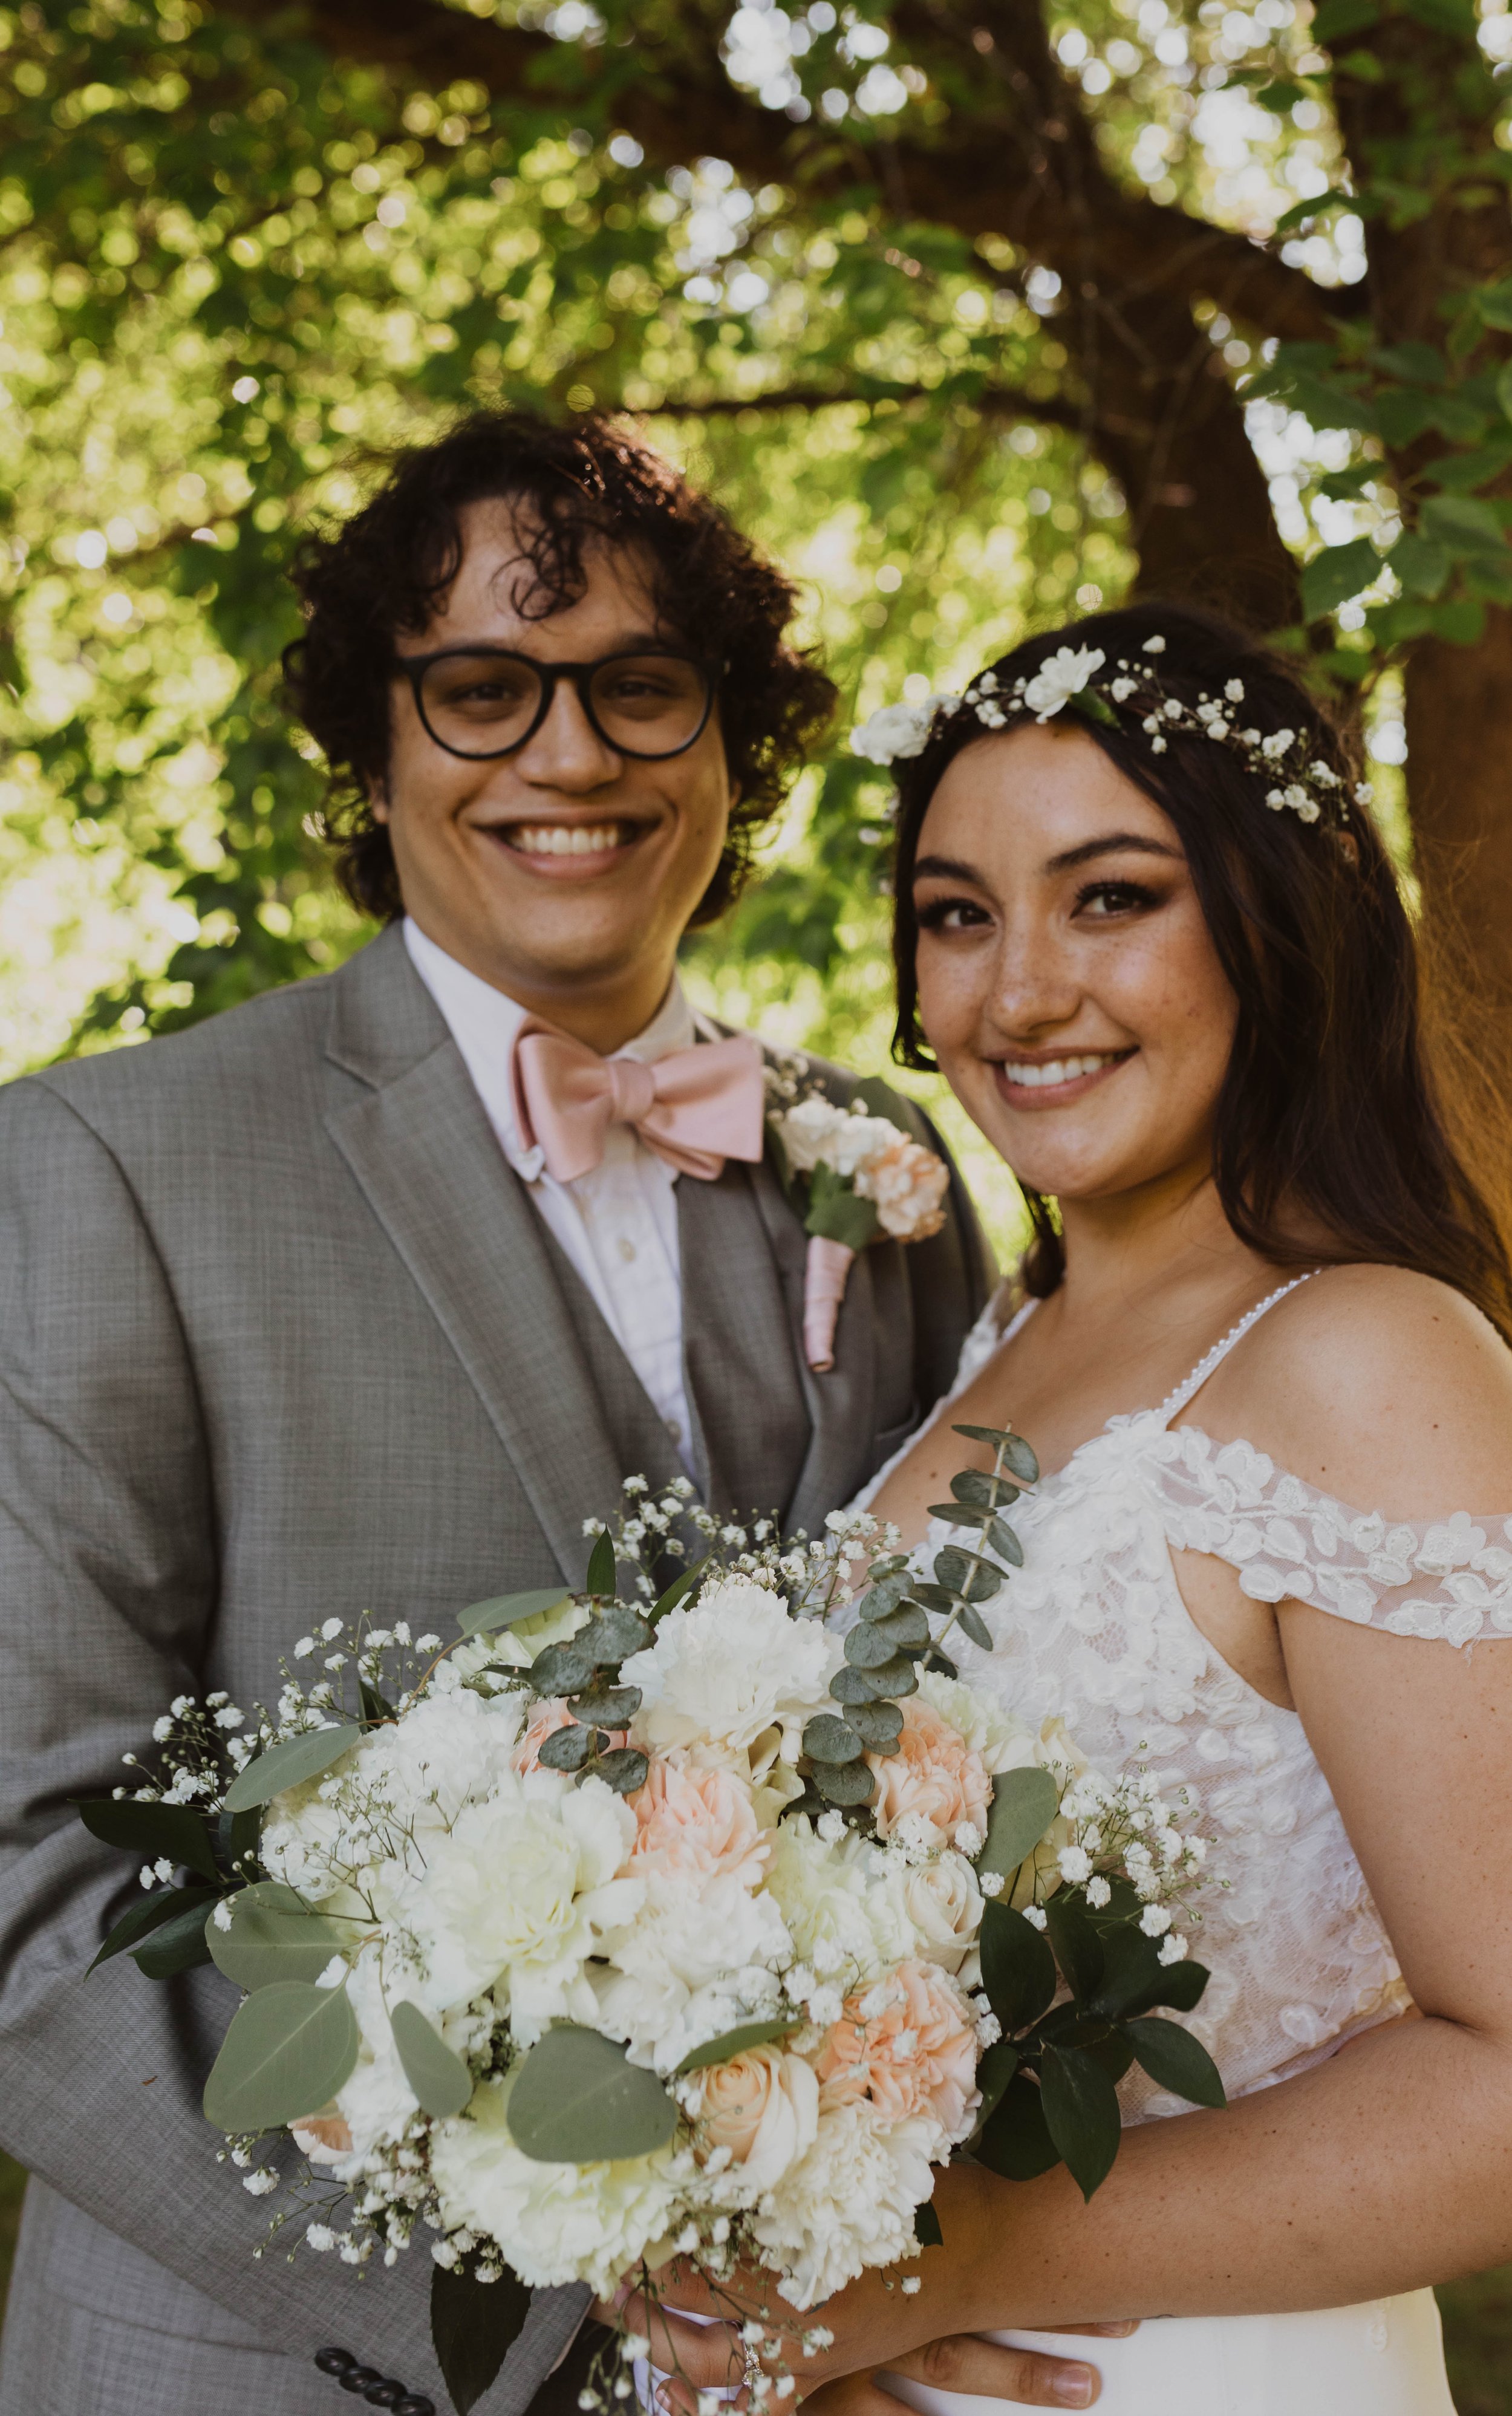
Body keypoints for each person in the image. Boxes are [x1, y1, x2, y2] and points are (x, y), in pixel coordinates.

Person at [0, 410, 1005, 2416]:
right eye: (481, 689)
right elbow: (31, 1887)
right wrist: (559, 2319)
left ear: (730, 744)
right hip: (285, 2368)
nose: (569, 757)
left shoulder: (884, 1172)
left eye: (643, 687)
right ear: (373, 748)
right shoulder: (108, 1162)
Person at [621, 601, 1512, 2416]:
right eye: (958, 915)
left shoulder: (1365, 1356)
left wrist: (950, 2259)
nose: (1017, 991)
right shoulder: (1001, 1333)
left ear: (1275, 924)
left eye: (1110, 896)